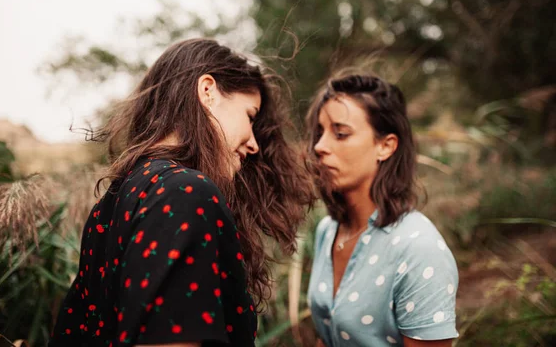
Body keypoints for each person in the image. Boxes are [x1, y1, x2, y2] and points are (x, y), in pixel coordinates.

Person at [48, 38, 314, 347]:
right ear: (208, 91)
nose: (253, 144)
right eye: (250, 116)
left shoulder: (115, 201)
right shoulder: (187, 193)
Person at [305, 74, 459, 347]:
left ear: (385, 146)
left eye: (340, 133)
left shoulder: (419, 249)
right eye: (320, 133)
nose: (320, 146)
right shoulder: (328, 231)